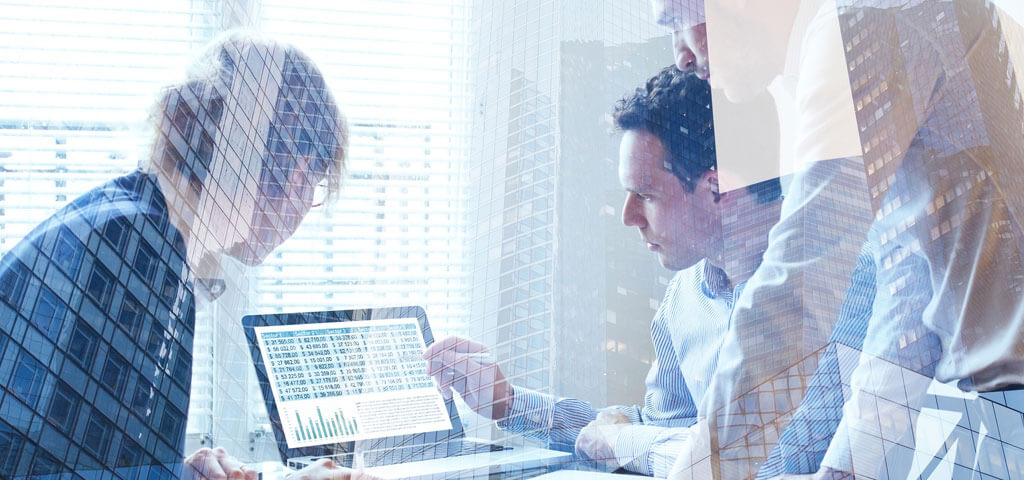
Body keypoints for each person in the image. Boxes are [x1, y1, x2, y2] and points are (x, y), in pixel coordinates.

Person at [648, 1, 1024, 479]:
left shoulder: (863, 20)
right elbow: (909, 289)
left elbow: (802, 286)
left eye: (680, 19)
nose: (680, 55)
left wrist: (702, 473)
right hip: (1001, 412)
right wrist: (844, 470)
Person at [0, 30, 371, 479]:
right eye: (315, 182)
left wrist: (176, 470)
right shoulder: (139, 248)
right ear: (298, 172)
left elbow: (80, 456)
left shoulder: (131, 219)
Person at [423, 67, 785, 477]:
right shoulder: (685, 297)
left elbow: (761, 462)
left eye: (645, 194)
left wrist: (623, 441)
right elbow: (660, 433)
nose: (628, 216)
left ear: (717, 189)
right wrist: (507, 402)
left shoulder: (819, 288)